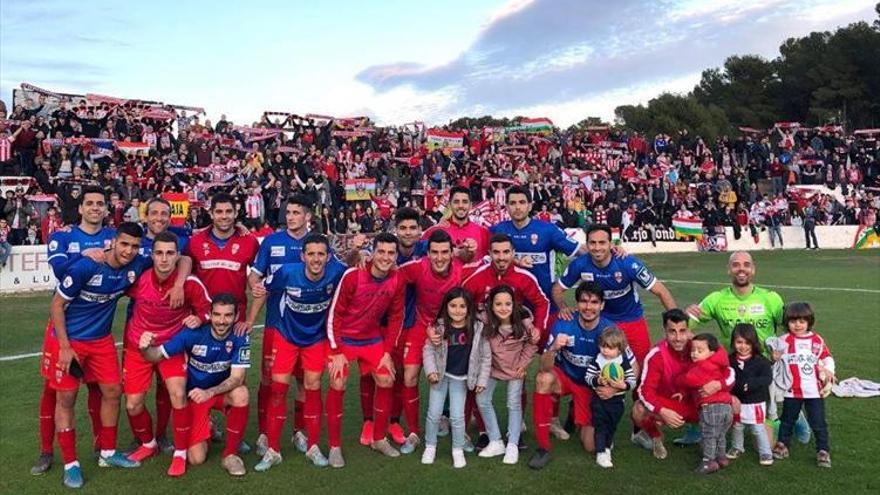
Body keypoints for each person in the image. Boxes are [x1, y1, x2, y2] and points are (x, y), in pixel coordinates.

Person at [41, 223, 149, 488]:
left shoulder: (135, 266)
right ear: (113, 241)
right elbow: (57, 304)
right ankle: (71, 464)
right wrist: (65, 347)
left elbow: (178, 258)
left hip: (101, 341)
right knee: (66, 398)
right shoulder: (87, 266)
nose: (129, 250)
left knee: (113, 392)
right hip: (70, 340)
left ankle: (108, 453)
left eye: (135, 246)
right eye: (124, 244)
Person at [32, 186, 117, 476]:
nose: (95, 208)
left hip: (98, 332)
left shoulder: (113, 238)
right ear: (80, 208)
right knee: (55, 392)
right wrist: (88, 256)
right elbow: (60, 273)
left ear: (106, 209)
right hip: (63, 329)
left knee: (100, 388)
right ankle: (47, 451)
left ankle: (101, 447)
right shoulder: (62, 237)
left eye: (100, 203)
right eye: (89, 203)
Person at [683, 250, 797, 447]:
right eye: (736, 264)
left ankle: (796, 418)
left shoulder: (771, 298)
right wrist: (687, 315)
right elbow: (683, 327)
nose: (741, 269)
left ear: (753, 269)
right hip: (733, 366)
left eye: (746, 264)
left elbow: (793, 329)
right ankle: (698, 427)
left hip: (764, 366)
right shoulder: (716, 299)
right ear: (729, 269)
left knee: (767, 445)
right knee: (701, 382)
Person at [122, 231, 213, 476]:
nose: (164, 259)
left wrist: (198, 318)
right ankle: (148, 443)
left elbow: (208, 311)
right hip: (138, 346)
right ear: (151, 255)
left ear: (178, 256)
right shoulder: (138, 279)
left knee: (177, 394)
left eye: (170, 253)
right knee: (132, 404)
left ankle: (180, 452)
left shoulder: (190, 283)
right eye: (159, 253)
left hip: (171, 348)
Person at [255, 234, 347, 470]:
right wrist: (256, 293)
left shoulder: (336, 272)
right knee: (278, 388)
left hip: (315, 339)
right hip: (286, 336)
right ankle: (273, 449)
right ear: (302, 256)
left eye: (321, 254)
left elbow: (356, 273)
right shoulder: (287, 272)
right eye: (311, 254)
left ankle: (313, 446)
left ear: (328, 257)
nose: (316, 259)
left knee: (312, 387)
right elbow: (261, 286)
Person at [138, 293, 252, 477]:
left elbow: (237, 378)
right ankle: (207, 425)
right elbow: (155, 355)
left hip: (215, 392)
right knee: (196, 459)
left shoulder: (240, 337)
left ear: (236, 317)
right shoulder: (193, 334)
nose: (222, 321)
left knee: (241, 393)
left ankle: (230, 454)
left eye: (228, 315)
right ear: (210, 314)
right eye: (217, 314)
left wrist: (210, 392)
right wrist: (144, 349)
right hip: (195, 397)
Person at [325, 233, 405, 467]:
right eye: (381, 252)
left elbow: (396, 317)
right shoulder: (353, 275)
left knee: (386, 379)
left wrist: (388, 352)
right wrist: (337, 350)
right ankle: (334, 447)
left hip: (371, 340)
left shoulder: (397, 279)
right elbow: (334, 314)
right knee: (337, 382)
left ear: (396, 255)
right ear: (372, 252)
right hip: (344, 340)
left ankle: (379, 438)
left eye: (391, 253)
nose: (386, 257)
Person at [528, 282, 627, 470]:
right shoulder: (564, 323)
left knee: (591, 446)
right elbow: (543, 366)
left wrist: (614, 388)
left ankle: (578, 412)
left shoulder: (610, 330)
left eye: (594, 302)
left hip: (592, 388)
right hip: (566, 378)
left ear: (602, 305)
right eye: (583, 301)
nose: (588, 307)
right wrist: (554, 348)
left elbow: (633, 366)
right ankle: (543, 448)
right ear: (577, 303)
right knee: (543, 379)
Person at [631, 309, 732, 461]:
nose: (678, 338)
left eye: (682, 331)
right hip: (673, 404)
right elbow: (645, 392)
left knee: (734, 404)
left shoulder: (702, 346)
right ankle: (656, 437)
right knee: (639, 409)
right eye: (672, 332)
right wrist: (662, 410)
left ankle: (711, 437)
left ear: (688, 330)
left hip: (701, 403)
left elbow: (729, 372)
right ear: (664, 330)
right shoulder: (656, 355)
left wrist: (719, 384)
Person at [421, 288, 490, 468]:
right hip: (440, 377)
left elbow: (485, 357)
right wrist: (430, 371)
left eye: (462, 306)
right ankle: (430, 446)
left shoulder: (477, 328)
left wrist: (482, 380)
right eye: (453, 306)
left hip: (461, 378)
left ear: (469, 308)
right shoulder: (439, 326)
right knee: (434, 413)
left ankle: (457, 449)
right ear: (446, 306)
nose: (457, 310)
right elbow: (428, 350)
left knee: (458, 416)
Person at [491, 185, 582, 318]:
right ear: (507, 206)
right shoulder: (497, 230)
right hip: (509, 308)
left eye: (522, 202)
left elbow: (580, 250)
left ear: (530, 205)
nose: (517, 207)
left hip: (546, 305)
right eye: (512, 203)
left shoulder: (548, 230)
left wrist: (611, 252)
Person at [475, 285, 540, 465]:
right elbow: (467, 312)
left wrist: (523, 363)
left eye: (508, 304)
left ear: (514, 305)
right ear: (491, 306)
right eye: (498, 304)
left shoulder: (523, 323)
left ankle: (512, 444)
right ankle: (496, 440)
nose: (503, 308)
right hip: (492, 368)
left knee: (513, 403)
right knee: (482, 399)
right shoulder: (485, 320)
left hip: (515, 369)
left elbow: (532, 344)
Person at [770, 302, 834, 468]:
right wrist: (774, 358)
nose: (797, 325)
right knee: (787, 420)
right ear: (787, 322)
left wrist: (828, 370)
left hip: (814, 391)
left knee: (818, 422)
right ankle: (782, 445)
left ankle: (823, 450)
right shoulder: (783, 341)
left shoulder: (817, 340)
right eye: (793, 321)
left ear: (809, 322)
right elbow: (775, 364)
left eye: (802, 321)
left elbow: (827, 357)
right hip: (792, 391)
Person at [187, 192, 259, 322]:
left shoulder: (250, 241)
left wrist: (250, 320)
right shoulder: (195, 241)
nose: (224, 216)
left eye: (228, 211)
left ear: (235, 213)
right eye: (219, 212)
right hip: (202, 318)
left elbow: (259, 278)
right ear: (211, 214)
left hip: (236, 320)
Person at [676, 333, 734, 475]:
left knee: (708, 434)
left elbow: (686, 380)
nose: (694, 354)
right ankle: (721, 457)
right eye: (693, 350)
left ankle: (709, 461)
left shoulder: (701, 367)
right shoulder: (719, 365)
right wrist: (683, 393)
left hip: (711, 407)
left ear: (711, 353)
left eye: (699, 351)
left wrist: (680, 378)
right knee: (720, 434)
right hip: (727, 406)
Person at [584, 327, 637, 468]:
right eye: (603, 346)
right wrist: (598, 381)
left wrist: (622, 385)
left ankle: (607, 444)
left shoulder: (623, 363)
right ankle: (601, 453)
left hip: (617, 402)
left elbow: (632, 382)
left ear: (619, 350)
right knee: (600, 425)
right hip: (599, 400)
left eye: (610, 348)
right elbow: (588, 378)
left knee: (612, 426)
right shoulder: (597, 361)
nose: (605, 350)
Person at [726, 323, 774, 466]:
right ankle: (737, 447)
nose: (743, 346)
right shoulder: (730, 360)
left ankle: (765, 451)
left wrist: (752, 384)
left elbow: (767, 379)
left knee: (757, 428)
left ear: (754, 343)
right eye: (739, 342)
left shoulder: (761, 361)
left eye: (747, 342)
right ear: (733, 342)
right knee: (737, 426)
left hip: (755, 402)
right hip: (737, 402)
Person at [422, 185, 490, 265]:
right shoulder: (434, 231)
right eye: (456, 202)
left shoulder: (483, 232)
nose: (460, 206)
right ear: (450, 205)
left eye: (464, 202)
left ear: (471, 205)